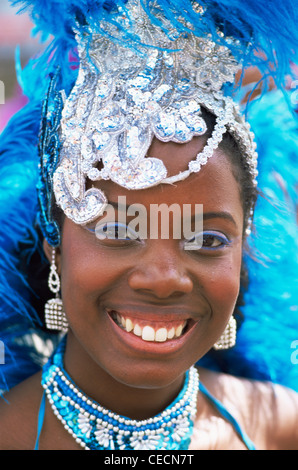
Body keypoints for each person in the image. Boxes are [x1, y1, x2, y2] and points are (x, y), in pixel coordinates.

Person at [0, 0, 297, 451]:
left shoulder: (280, 428)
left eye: (207, 239)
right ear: (54, 249)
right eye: (118, 232)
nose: (163, 280)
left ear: (241, 261)